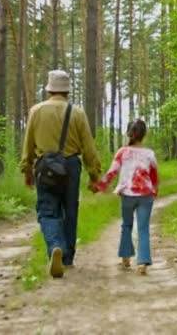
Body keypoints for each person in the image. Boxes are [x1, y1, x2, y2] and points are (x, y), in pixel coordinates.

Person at [20, 70, 101, 278]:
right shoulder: (78, 113)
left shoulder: (36, 111)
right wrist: (94, 175)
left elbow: (28, 144)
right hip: (71, 166)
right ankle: (67, 258)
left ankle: (55, 246)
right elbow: (89, 147)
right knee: (70, 211)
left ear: (49, 89)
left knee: (47, 211)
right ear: (67, 91)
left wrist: (27, 169)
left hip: (45, 167)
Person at [92, 119, 158, 275]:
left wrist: (100, 186)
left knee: (126, 225)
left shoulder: (122, 152)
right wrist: (155, 191)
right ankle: (142, 263)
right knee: (143, 229)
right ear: (144, 135)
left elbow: (112, 173)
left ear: (130, 133)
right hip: (145, 195)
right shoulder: (149, 154)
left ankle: (126, 258)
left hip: (127, 195)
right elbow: (154, 176)